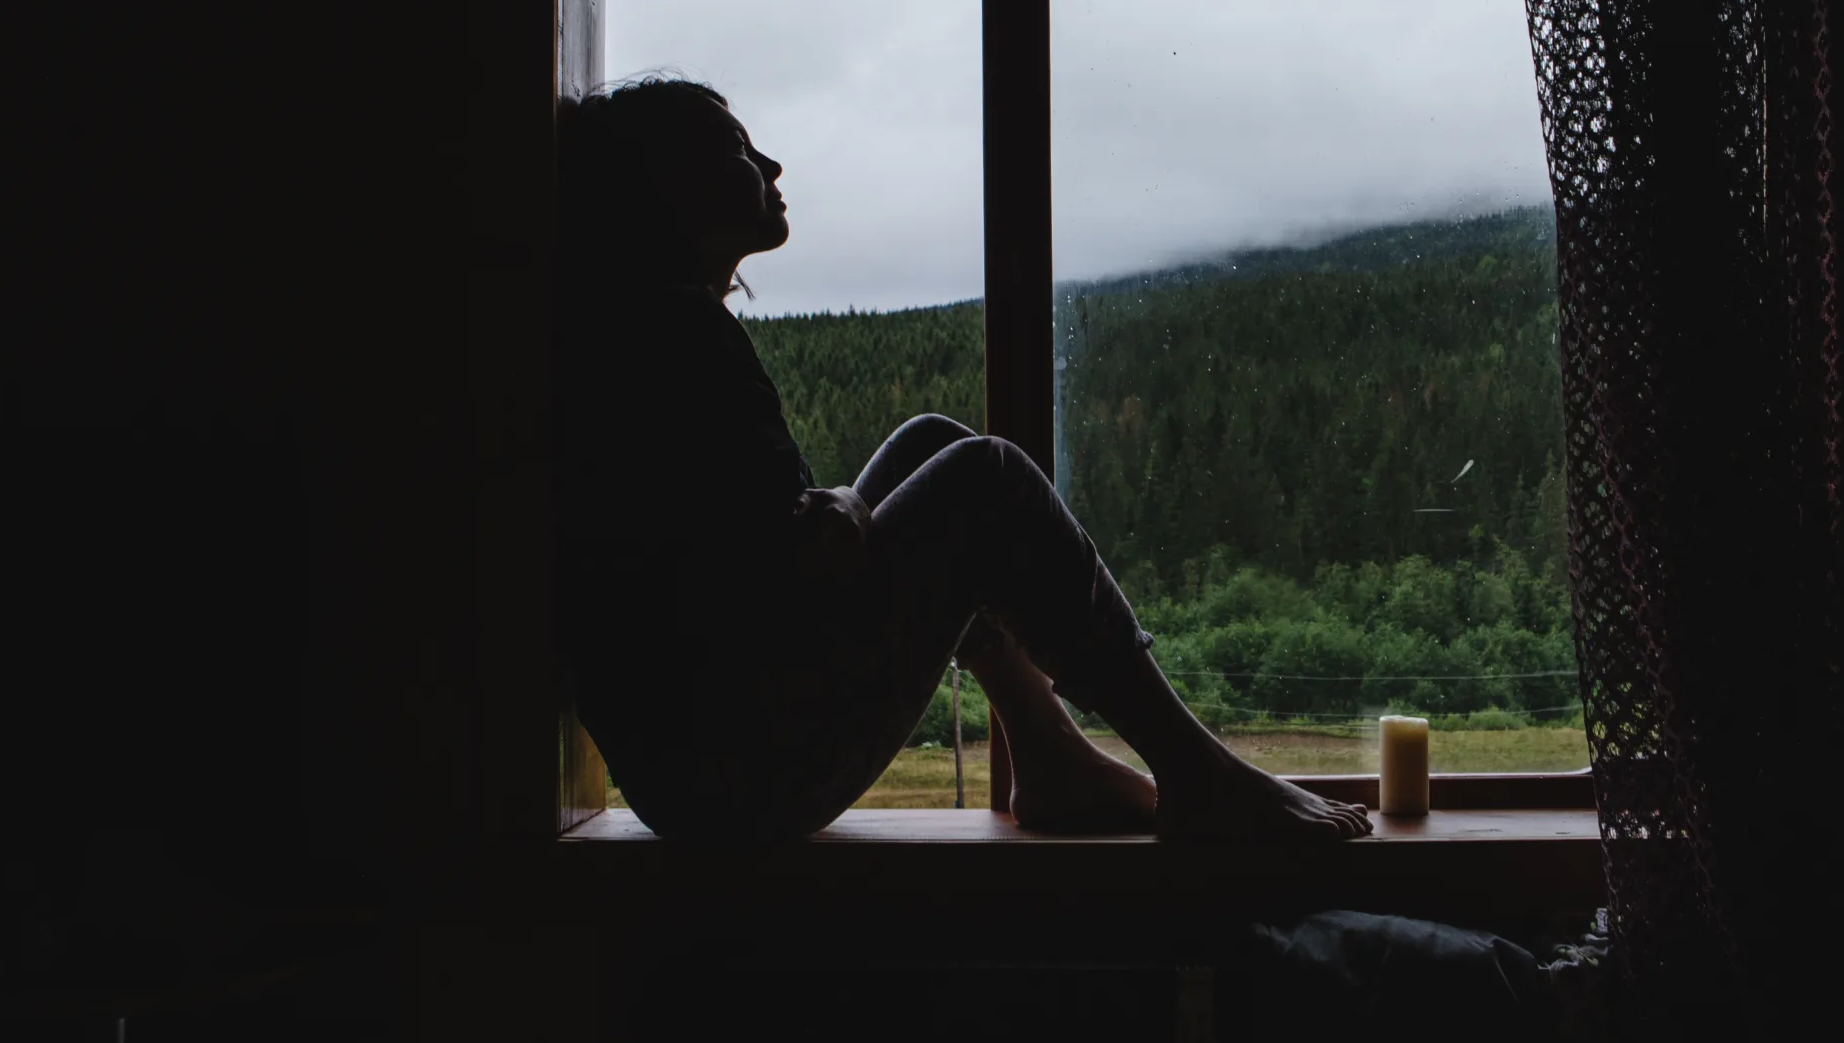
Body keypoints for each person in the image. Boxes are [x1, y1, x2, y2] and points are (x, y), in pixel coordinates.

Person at [554, 74, 1373, 847]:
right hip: (742, 774)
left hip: (701, 767)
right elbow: (790, 568)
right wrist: (838, 513)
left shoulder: (643, 332)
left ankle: (1049, 754)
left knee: (930, 442)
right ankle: (1197, 772)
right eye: (737, 150)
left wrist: (837, 508)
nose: (770, 165)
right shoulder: (675, 340)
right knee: (989, 478)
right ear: (673, 190)